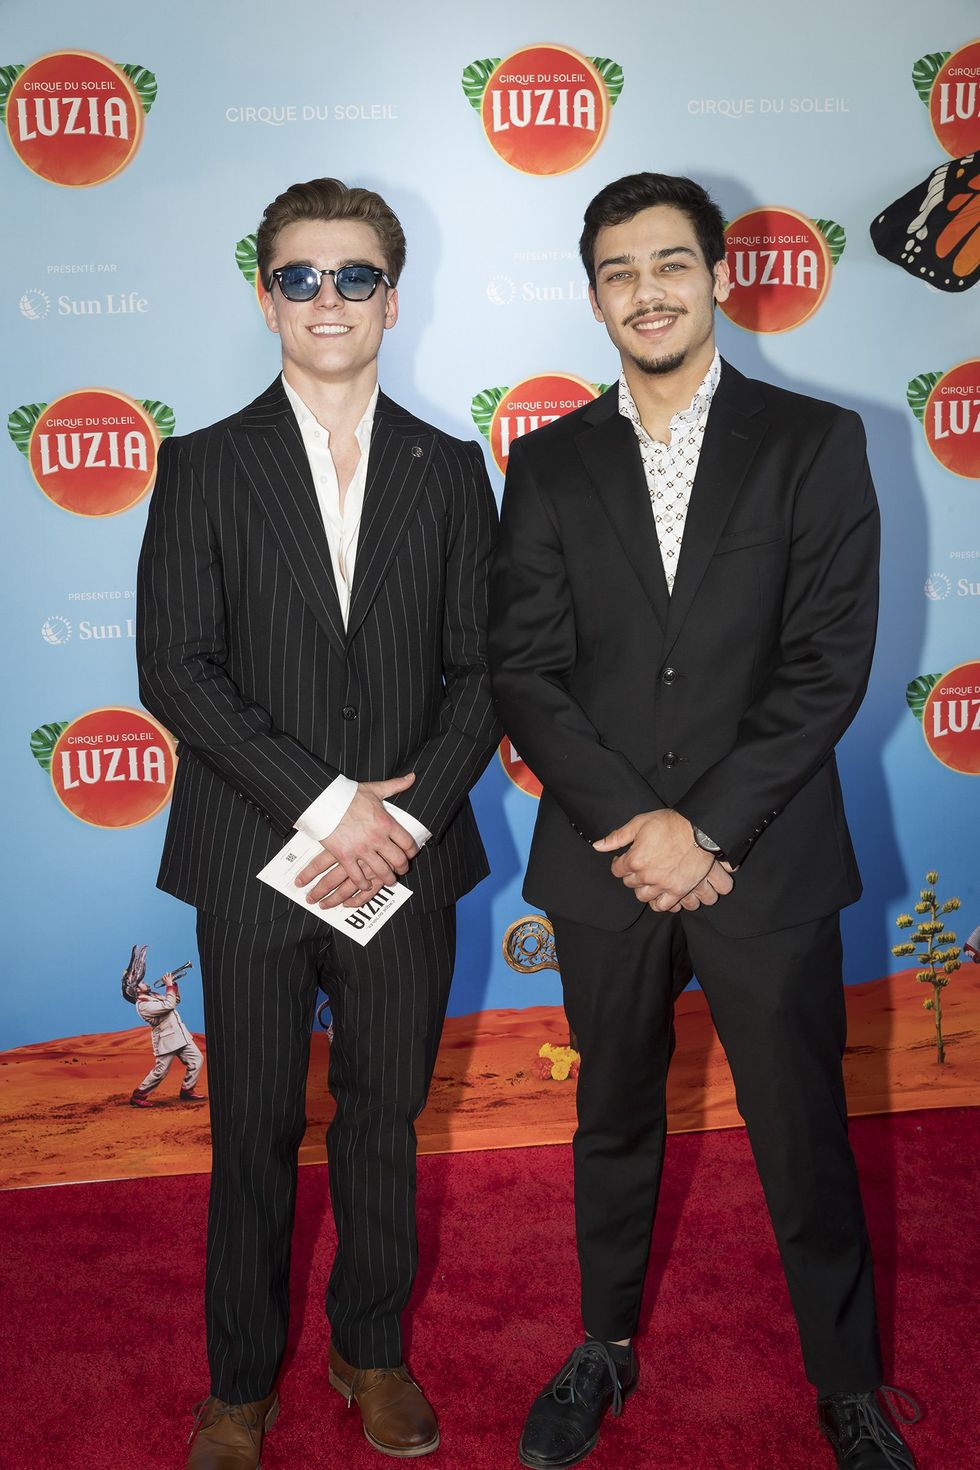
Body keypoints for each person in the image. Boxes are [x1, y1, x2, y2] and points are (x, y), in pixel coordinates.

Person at [488, 172, 919, 1470]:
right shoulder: (550, 459)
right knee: (613, 1114)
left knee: (802, 1129)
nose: (648, 291)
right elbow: (525, 666)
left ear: (720, 276)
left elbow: (829, 663)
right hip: (606, 860)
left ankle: (847, 1384)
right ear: (594, 294)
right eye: (619, 271)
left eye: (671, 263)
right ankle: (604, 1344)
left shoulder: (815, 442)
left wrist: (710, 829)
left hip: (767, 858)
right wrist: (639, 824)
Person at [137, 177, 498, 1467]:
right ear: (264, 295)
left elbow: (483, 669)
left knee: (384, 1117)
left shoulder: (450, 470)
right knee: (250, 1129)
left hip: (406, 856)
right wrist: (328, 800)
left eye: (354, 276)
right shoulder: (201, 465)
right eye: (301, 276)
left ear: (392, 299)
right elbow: (174, 668)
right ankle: (239, 1384)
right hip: (249, 854)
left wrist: (399, 821)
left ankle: (370, 1350)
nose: (328, 298)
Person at [128, 969, 205, 1106]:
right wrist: (168, 986)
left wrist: (174, 985)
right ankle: (138, 1095)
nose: (145, 983)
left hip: (180, 1035)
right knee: (161, 1071)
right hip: (166, 1040)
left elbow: (175, 1000)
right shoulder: (143, 1004)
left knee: (197, 1059)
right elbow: (169, 1005)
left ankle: (187, 1090)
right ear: (136, 991)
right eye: (141, 983)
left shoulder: (153, 995)